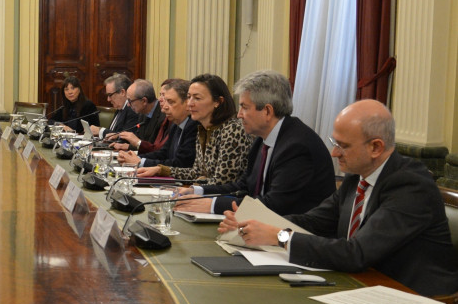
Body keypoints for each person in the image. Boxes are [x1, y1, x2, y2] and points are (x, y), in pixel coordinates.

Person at [221, 100, 458, 297]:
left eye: (343, 146)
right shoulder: (358, 176)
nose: (334, 153)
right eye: (335, 143)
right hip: (365, 284)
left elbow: (357, 252)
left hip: (413, 299)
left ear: (376, 147)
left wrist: (279, 236)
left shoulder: (410, 185)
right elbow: (314, 221)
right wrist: (251, 224)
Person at [175, 70, 334, 215]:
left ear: (267, 111)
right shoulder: (262, 139)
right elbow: (243, 186)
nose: (239, 115)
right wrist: (198, 191)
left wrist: (212, 205)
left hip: (294, 233)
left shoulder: (297, 147)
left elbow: (275, 204)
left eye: (244, 107)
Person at [137, 74, 252, 184]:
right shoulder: (203, 128)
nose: (190, 104)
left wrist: (194, 188)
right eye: (188, 97)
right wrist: (160, 170)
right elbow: (196, 172)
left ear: (218, 102)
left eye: (197, 98)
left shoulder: (233, 130)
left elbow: (222, 182)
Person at [117, 78, 197, 169]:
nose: (164, 108)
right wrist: (134, 158)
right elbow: (163, 153)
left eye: (171, 102)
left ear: (187, 103)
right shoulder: (176, 124)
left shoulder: (194, 127)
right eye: (165, 101)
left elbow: (181, 164)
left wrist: (141, 162)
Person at [89, 74, 138, 139]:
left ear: (122, 92)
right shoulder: (120, 107)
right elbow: (114, 131)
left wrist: (100, 131)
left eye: (110, 95)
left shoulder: (132, 110)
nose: (108, 99)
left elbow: (125, 137)